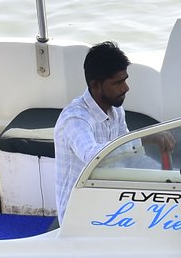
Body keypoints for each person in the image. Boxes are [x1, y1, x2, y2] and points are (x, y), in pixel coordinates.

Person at [53, 42, 158, 221]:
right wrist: (145, 138)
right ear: (95, 85)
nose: (126, 88)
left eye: (125, 80)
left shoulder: (116, 110)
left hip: (110, 197)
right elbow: (92, 155)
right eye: (118, 82)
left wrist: (166, 175)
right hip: (78, 214)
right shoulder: (75, 119)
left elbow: (129, 155)